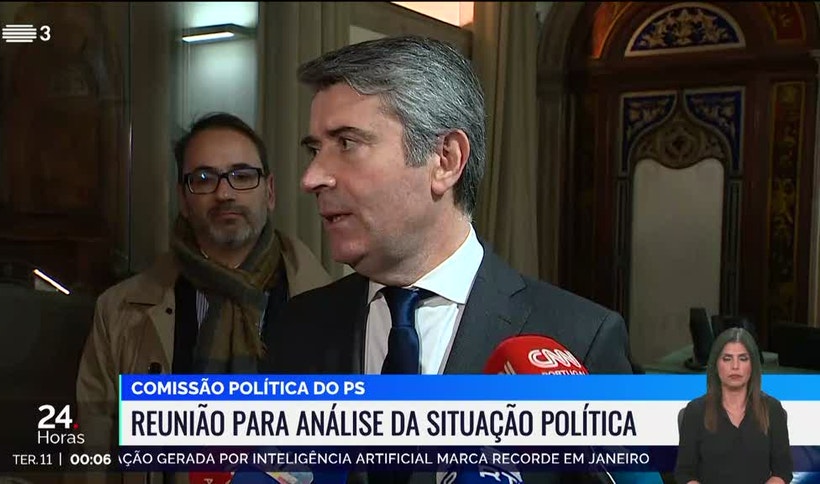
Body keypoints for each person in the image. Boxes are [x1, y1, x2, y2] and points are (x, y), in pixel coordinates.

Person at [259, 36, 634, 483]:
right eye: (314, 150)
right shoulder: (299, 325)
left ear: (445, 160)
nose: (312, 177)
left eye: (346, 143)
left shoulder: (581, 340)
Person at [75, 112, 331, 468]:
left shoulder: (333, 306)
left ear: (269, 192)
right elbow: (93, 454)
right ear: (183, 199)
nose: (224, 193)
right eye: (204, 179)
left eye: (242, 176)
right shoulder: (118, 312)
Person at [675, 327, 793, 484]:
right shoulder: (695, 411)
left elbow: (782, 471)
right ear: (716, 365)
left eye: (743, 359)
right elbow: (685, 474)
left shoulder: (772, 409)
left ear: (753, 365)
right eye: (727, 359)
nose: (735, 366)